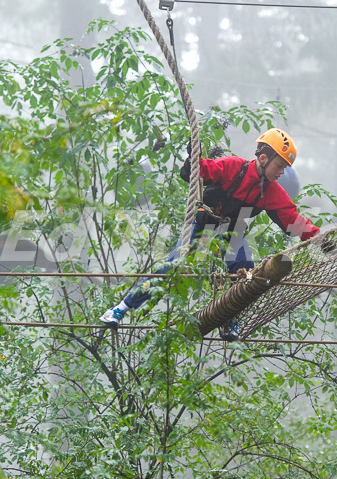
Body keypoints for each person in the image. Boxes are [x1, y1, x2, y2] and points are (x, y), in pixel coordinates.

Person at [99, 128, 320, 340]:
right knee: (172, 267)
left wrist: (323, 242)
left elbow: (294, 222)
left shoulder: (272, 192)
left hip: (233, 231)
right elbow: (196, 172)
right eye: (280, 166)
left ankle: (231, 320)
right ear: (263, 159)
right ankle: (120, 309)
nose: (282, 172)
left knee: (248, 275)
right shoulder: (234, 167)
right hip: (205, 226)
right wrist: (191, 157)